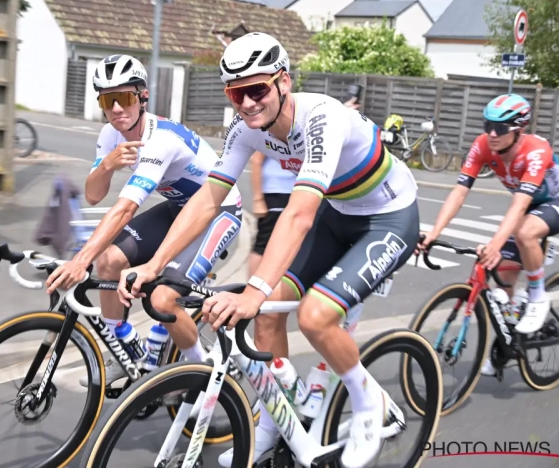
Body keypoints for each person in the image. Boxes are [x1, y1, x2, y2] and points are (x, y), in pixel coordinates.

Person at [117, 32, 420, 468]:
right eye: (235, 92)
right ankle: (276, 420)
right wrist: (154, 264)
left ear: (284, 81)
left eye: (256, 89)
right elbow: (208, 198)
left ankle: (369, 401)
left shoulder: (322, 117)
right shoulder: (243, 128)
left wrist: (255, 288)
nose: (246, 102)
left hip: (387, 218)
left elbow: (298, 213)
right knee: (265, 317)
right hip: (336, 215)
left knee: (314, 316)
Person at [45, 54, 243, 386]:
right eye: (109, 100)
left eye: (125, 97)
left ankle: (205, 375)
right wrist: (106, 165)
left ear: (143, 97)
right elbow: (94, 195)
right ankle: (122, 346)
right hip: (179, 207)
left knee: (161, 296)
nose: (118, 108)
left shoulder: (160, 139)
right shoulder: (110, 134)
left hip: (219, 210)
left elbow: (124, 209)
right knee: (108, 260)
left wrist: (80, 261)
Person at [419, 93, 559, 372]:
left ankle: (538, 297)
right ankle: (508, 344)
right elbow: (459, 192)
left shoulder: (536, 150)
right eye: (487, 124)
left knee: (525, 233)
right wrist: (431, 233)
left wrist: (495, 244)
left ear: (518, 129)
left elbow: (520, 204)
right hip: (529, 206)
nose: (491, 133)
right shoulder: (482, 146)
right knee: (503, 278)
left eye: (500, 128)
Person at [249, 154, 295, 277]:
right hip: (276, 190)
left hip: (299, 191)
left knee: (291, 245)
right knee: (264, 244)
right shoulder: (272, 135)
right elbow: (256, 160)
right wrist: (258, 199)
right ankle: (249, 288)